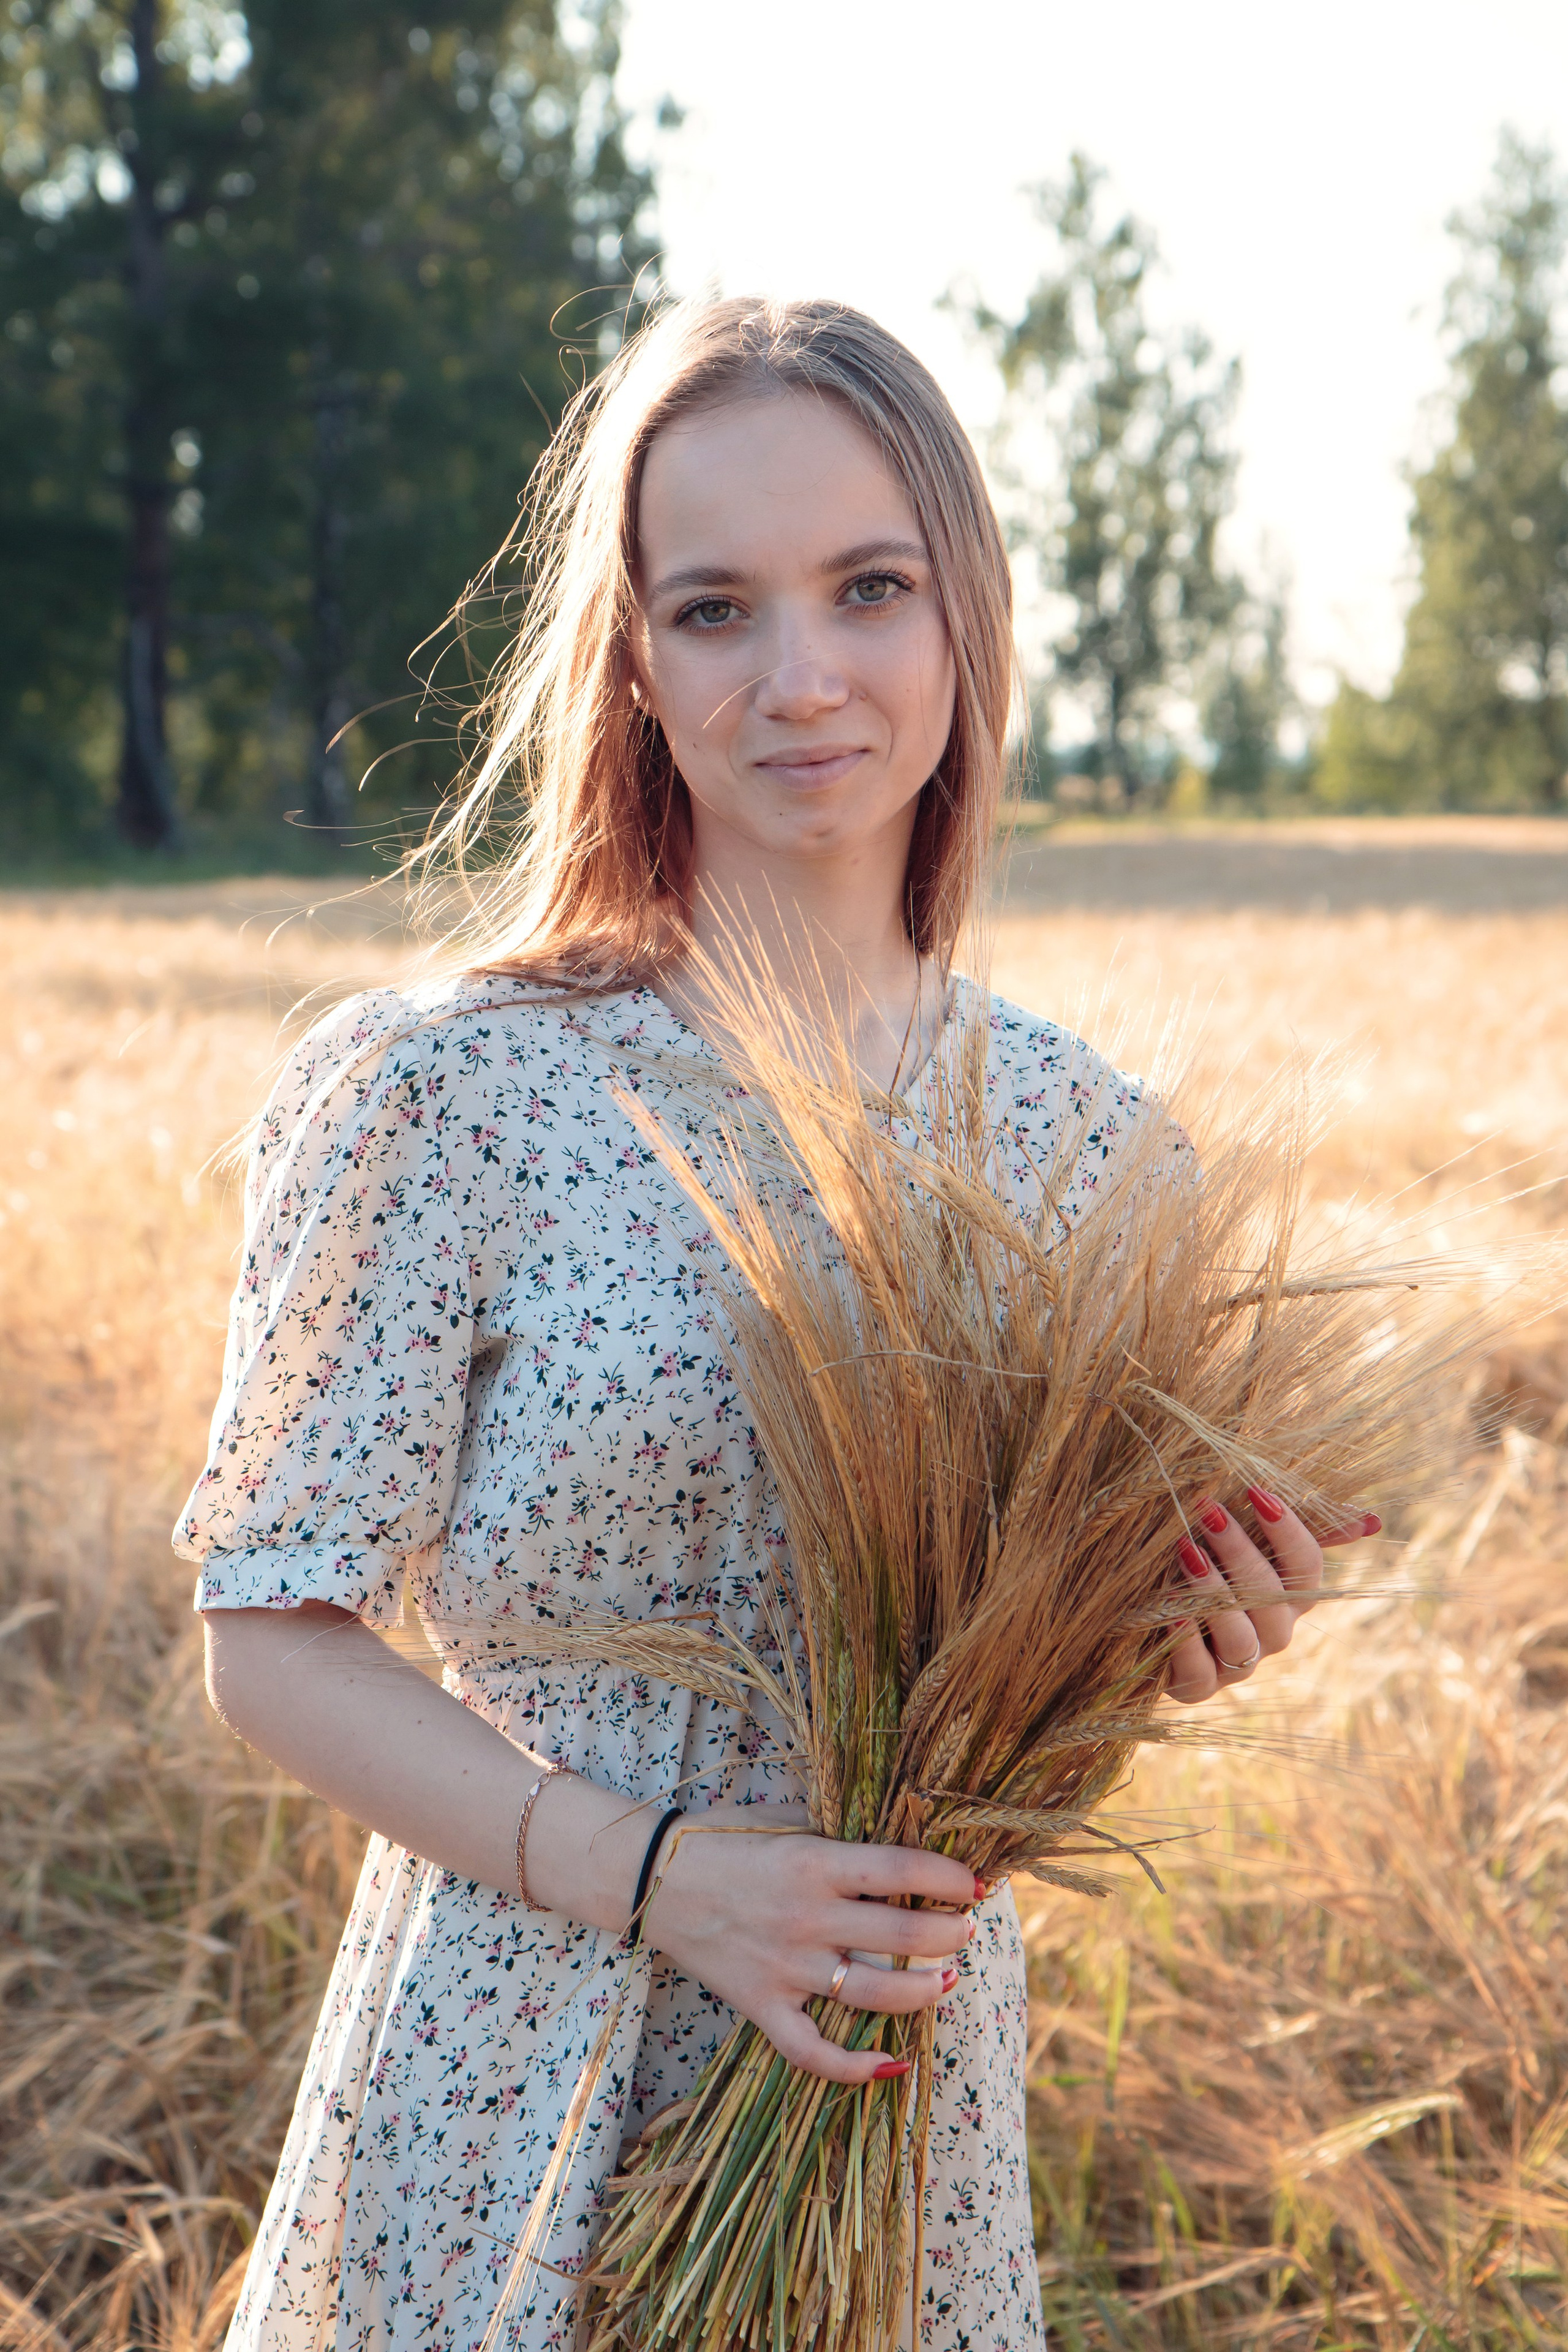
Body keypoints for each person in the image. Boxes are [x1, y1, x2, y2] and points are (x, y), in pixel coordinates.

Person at [178, 297, 1359, 2352]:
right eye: (717, 608)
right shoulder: (443, 1093)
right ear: (634, 658)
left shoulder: (1101, 1157)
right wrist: (655, 1877)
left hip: (891, 2093)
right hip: (511, 2061)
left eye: (869, 589)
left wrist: (1164, 1647)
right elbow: (268, 1635)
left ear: (965, 612)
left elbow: (1001, 1693)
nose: (802, 677)